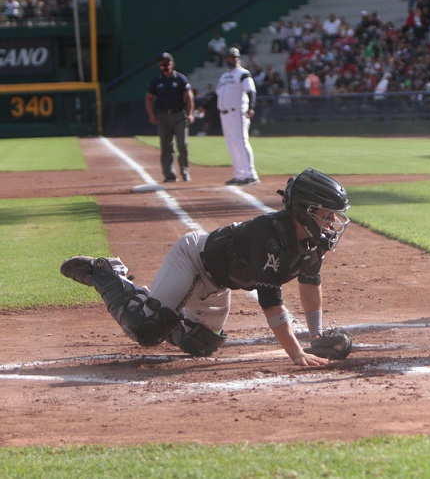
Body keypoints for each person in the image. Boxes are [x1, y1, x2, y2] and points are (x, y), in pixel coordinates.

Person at [60, 169, 351, 366]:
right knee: (146, 330)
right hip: (194, 260)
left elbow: (310, 284)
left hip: (219, 283)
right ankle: (106, 273)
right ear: (306, 210)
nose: (332, 222)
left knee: (200, 343)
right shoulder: (271, 238)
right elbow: (271, 305)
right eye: (328, 214)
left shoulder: (312, 242)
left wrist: (316, 336)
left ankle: (164, 310)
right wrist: (297, 353)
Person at [145, 52, 195, 183]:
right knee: (166, 146)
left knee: (182, 144)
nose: (165, 66)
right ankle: (169, 175)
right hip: (163, 116)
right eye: (163, 64)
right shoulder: (156, 80)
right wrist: (151, 115)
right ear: (159, 65)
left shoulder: (180, 79)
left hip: (179, 115)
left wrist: (190, 114)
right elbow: (148, 98)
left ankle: (185, 172)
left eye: (168, 63)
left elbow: (189, 97)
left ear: (172, 64)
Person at [216, 47, 259, 185]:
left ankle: (251, 174)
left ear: (238, 59)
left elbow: (251, 91)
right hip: (224, 114)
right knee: (232, 145)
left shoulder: (243, 73)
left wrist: (251, 107)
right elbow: (217, 95)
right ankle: (239, 174)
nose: (231, 59)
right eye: (228, 57)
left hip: (237, 112)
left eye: (233, 57)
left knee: (241, 142)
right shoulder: (224, 76)